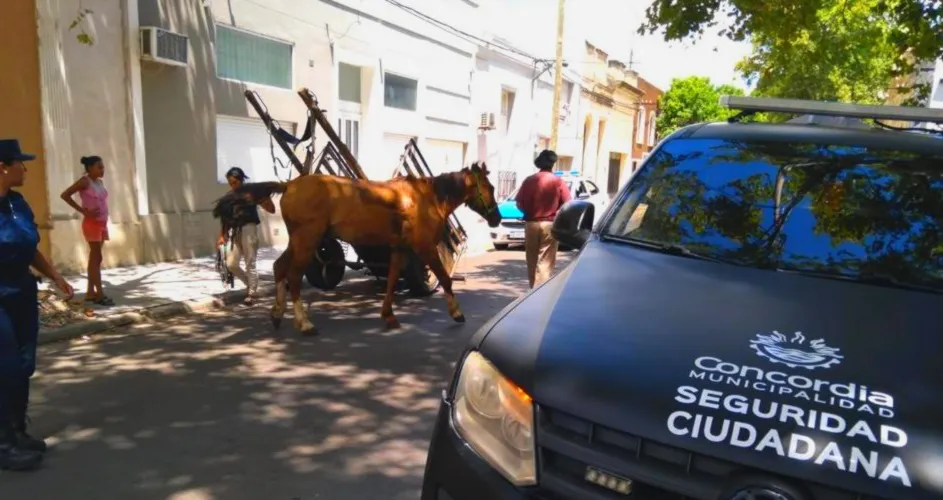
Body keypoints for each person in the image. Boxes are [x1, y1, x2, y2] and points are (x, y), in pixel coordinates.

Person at [0, 139, 75, 471]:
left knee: (25, 363)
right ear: (2, 167)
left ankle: (16, 431)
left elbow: (29, 247)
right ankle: (2, 445)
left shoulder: (17, 202)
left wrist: (56, 277)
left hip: (21, 290)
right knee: (6, 367)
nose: (25, 168)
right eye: (20, 162)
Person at [60, 155, 113, 306]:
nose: (102, 170)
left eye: (103, 167)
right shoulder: (84, 181)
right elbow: (65, 195)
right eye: (99, 167)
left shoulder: (99, 182)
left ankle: (91, 292)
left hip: (102, 223)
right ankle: (100, 294)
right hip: (92, 224)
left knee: (96, 258)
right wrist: (83, 211)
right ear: (90, 168)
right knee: (96, 257)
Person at [218, 167, 275, 305]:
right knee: (231, 264)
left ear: (241, 180)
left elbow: (271, 209)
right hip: (235, 231)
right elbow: (225, 218)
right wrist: (222, 235)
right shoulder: (229, 196)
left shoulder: (251, 192)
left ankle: (252, 292)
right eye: (230, 183)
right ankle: (250, 285)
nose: (232, 185)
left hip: (249, 228)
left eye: (234, 182)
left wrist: (264, 198)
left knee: (250, 262)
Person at [515, 149, 571, 288]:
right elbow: (568, 203)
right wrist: (557, 213)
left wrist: (529, 211)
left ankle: (532, 289)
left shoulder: (529, 180)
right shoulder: (558, 181)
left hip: (531, 224)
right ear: (552, 164)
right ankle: (540, 292)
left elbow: (518, 203)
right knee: (545, 262)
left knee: (532, 260)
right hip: (550, 225)